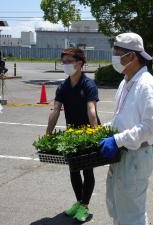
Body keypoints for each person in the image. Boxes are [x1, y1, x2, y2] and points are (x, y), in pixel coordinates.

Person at [99, 33, 153, 225]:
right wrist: (102, 131)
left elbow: (151, 126)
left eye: (118, 53)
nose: (115, 57)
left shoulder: (145, 84)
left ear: (132, 56)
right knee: (118, 210)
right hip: (122, 155)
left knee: (132, 216)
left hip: (135, 156)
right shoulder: (126, 82)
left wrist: (117, 140)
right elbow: (122, 119)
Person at [46, 48, 100, 222]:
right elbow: (55, 111)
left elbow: (92, 110)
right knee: (74, 169)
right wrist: (48, 134)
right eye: (64, 61)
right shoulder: (63, 86)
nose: (66, 65)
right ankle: (79, 202)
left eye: (69, 61)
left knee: (87, 170)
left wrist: (95, 135)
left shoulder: (88, 84)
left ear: (80, 63)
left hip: (88, 132)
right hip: (72, 134)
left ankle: (85, 206)